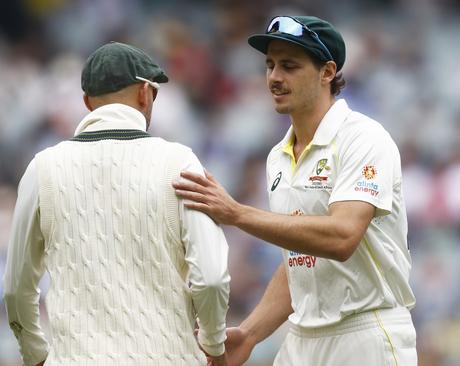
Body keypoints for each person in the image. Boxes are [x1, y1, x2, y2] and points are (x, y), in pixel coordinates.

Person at [173, 16, 417, 366]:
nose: (274, 77)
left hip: (367, 333)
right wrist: (252, 333)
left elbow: (342, 237)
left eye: (289, 66)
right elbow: (300, 260)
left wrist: (237, 214)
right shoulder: (278, 157)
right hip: (303, 338)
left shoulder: (363, 138)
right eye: (270, 65)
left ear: (327, 72)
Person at [3, 41, 230, 366]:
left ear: (87, 102)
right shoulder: (180, 162)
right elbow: (210, 278)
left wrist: (35, 353)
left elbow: (15, 287)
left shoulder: (43, 168)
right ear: (143, 93)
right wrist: (214, 346)